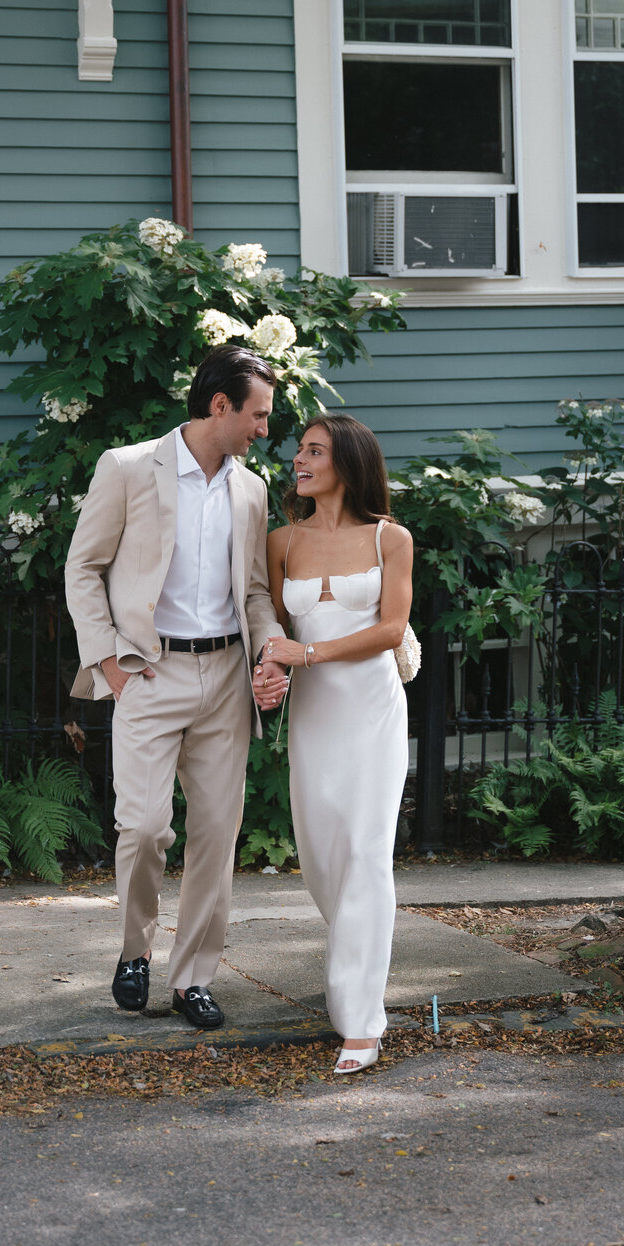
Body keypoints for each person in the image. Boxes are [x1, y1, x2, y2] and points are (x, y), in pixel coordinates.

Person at [64, 348, 288, 1030]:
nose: (264, 430)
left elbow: (252, 590)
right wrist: (109, 665)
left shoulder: (251, 489)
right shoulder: (128, 467)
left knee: (218, 837)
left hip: (225, 677)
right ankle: (135, 950)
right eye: (258, 415)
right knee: (145, 827)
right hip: (148, 675)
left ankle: (193, 978)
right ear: (219, 406)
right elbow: (84, 567)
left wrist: (270, 649)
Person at [256, 414, 413, 1074]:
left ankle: (360, 1022)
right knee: (321, 857)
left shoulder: (389, 538)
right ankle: (355, 963)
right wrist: (271, 667)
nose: (300, 459)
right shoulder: (280, 542)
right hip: (315, 719)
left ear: (347, 464)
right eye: (299, 450)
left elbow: (391, 628)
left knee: (366, 854)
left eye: (315, 451)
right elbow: (270, 622)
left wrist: (309, 652)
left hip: (373, 713)